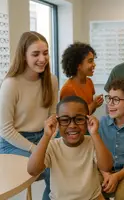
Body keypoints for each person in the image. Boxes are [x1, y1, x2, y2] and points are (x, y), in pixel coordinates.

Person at [0, 31, 58, 200]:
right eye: (35, 54)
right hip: (13, 143)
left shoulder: (51, 80)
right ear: (23, 56)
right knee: (48, 166)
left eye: (45, 53)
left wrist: (49, 140)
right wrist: (36, 149)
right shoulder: (11, 84)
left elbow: (53, 116)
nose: (42, 58)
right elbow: (6, 130)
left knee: (64, 164)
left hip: (43, 136)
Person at [27, 96, 113, 200]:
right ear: (57, 122)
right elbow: (32, 170)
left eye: (79, 119)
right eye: (65, 120)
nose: (72, 125)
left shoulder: (92, 142)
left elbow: (106, 166)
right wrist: (46, 136)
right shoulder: (52, 146)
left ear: (88, 120)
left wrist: (95, 134)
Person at [60, 42, 103, 114]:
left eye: (93, 61)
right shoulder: (68, 89)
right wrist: (93, 105)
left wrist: (95, 104)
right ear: (78, 65)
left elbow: (90, 112)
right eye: (90, 61)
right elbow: (74, 117)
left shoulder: (89, 82)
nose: (94, 64)